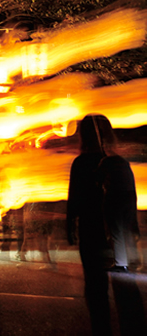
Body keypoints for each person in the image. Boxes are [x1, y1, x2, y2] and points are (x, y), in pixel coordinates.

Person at [67, 113, 143, 335]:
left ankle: (102, 330)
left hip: (90, 230)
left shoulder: (81, 163)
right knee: (124, 285)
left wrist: (70, 225)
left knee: (95, 287)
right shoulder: (119, 162)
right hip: (116, 231)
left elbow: (75, 199)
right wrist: (133, 229)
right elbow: (131, 197)